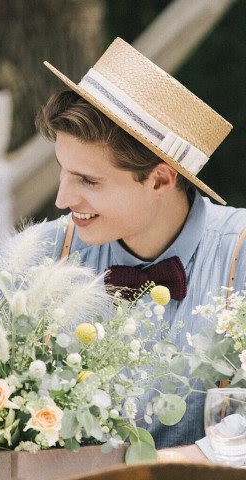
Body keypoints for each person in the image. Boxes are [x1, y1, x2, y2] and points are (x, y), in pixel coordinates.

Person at [26, 37, 246, 448]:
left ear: (160, 180)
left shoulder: (241, 252)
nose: (62, 200)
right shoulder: (41, 255)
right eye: (64, 171)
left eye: (88, 181)